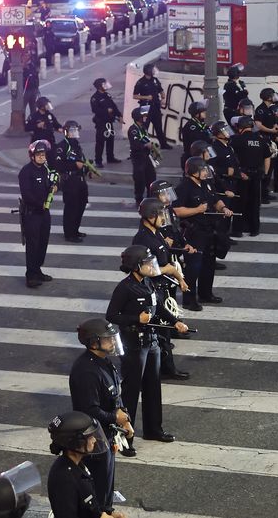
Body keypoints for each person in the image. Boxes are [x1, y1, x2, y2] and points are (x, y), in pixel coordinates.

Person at [107, 245, 188, 455]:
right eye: (146, 263)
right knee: (132, 391)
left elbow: (159, 305)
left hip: (152, 341)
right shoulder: (124, 288)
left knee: (153, 387)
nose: (151, 266)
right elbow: (112, 315)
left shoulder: (148, 282)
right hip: (134, 344)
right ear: (135, 266)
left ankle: (154, 429)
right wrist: (136, 319)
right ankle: (126, 437)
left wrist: (175, 321)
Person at [70, 318, 134, 511]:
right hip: (94, 440)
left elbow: (115, 395)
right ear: (94, 342)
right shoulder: (86, 371)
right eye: (108, 338)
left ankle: (106, 510)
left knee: (106, 484)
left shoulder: (104, 361)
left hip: (106, 435)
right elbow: (89, 410)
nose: (113, 341)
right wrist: (115, 418)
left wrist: (124, 421)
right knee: (98, 486)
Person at [133, 199, 190, 381]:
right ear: (150, 217)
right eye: (159, 215)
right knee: (160, 331)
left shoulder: (156, 233)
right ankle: (163, 369)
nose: (163, 218)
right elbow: (145, 268)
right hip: (151, 288)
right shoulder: (143, 238)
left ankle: (164, 366)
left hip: (162, 286)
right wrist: (171, 270)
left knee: (164, 330)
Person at [173, 158, 233, 310]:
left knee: (209, 264)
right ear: (194, 171)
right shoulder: (183, 187)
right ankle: (189, 299)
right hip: (194, 232)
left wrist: (223, 208)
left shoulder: (206, 183)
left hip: (209, 229)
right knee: (193, 267)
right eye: (203, 169)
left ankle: (206, 294)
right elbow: (176, 210)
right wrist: (197, 210)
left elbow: (215, 199)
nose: (206, 172)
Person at [47, 411, 126, 518]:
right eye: (89, 437)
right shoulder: (64, 478)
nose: (94, 440)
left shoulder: (77, 464)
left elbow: (88, 503)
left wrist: (107, 513)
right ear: (75, 442)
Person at [18, 140, 55, 288]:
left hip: (44, 213)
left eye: (43, 154)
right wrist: (40, 204)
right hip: (32, 214)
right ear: (32, 156)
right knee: (32, 245)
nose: (41, 157)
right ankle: (30, 275)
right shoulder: (26, 172)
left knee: (42, 243)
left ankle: (38, 269)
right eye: (38, 154)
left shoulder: (45, 169)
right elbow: (27, 195)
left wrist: (54, 186)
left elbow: (49, 185)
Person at [229, 115, 269, 238]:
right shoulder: (261, 140)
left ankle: (238, 230)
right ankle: (254, 229)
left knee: (240, 203)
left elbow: (231, 157)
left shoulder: (236, 140)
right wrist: (265, 173)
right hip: (257, 175)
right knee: (255, 203)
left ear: (240, 127)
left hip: (242, 175)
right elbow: (267, 157)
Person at [54, 121, 93, 243]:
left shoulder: (76, 144)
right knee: (71, 208)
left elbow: (81, 159)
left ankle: (75, 230)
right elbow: (58, 164)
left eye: (76, 130)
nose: (74, 133)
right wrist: (74, 165)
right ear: (66, 132)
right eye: (72, 131)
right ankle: (69, 233)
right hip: (70, 180)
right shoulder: (62, 146)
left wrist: (87, 168)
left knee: (81, 206)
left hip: (80, 180)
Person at [132, 62, 171, 149]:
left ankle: (163, 144)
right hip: (145, 107)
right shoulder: (140, 82)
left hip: (155, 106)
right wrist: (145, 97)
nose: (154, 71)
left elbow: (161, 90)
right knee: (144, 127)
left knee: (159, 127)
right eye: (153, 70)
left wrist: (163, 98)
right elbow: (135, 95)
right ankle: (143, 145)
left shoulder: (155, 80)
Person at [90, 77, 123, 167]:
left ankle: (110, 157)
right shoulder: (95, 98)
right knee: (100, 141)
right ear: (99, 86)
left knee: (110, 140)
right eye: (104, 84)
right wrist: (106, 110)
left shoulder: (107, 95)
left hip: (109, 121)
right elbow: (95, 110)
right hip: (101, 122)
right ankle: (98, 160)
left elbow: (113, 106)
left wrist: (119, 115)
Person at [128, 106, 156, 206]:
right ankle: (139, 199)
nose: (145, 117)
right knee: (140, 178)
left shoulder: (143, 128)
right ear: (138, 117)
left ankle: (151, 197)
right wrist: (145, 145)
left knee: (151, 177)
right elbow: (135, 144)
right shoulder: (133, 130)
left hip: (146, 156)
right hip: (138, 157)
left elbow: (145, 139)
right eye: (143, 116)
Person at [179, 101, 211, 171]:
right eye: (202, 111)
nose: (205, 113)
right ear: (196, 114)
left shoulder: (201, 124)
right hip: (194, 158)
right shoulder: (191, 126)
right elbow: (197, 143)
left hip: (204, 155)